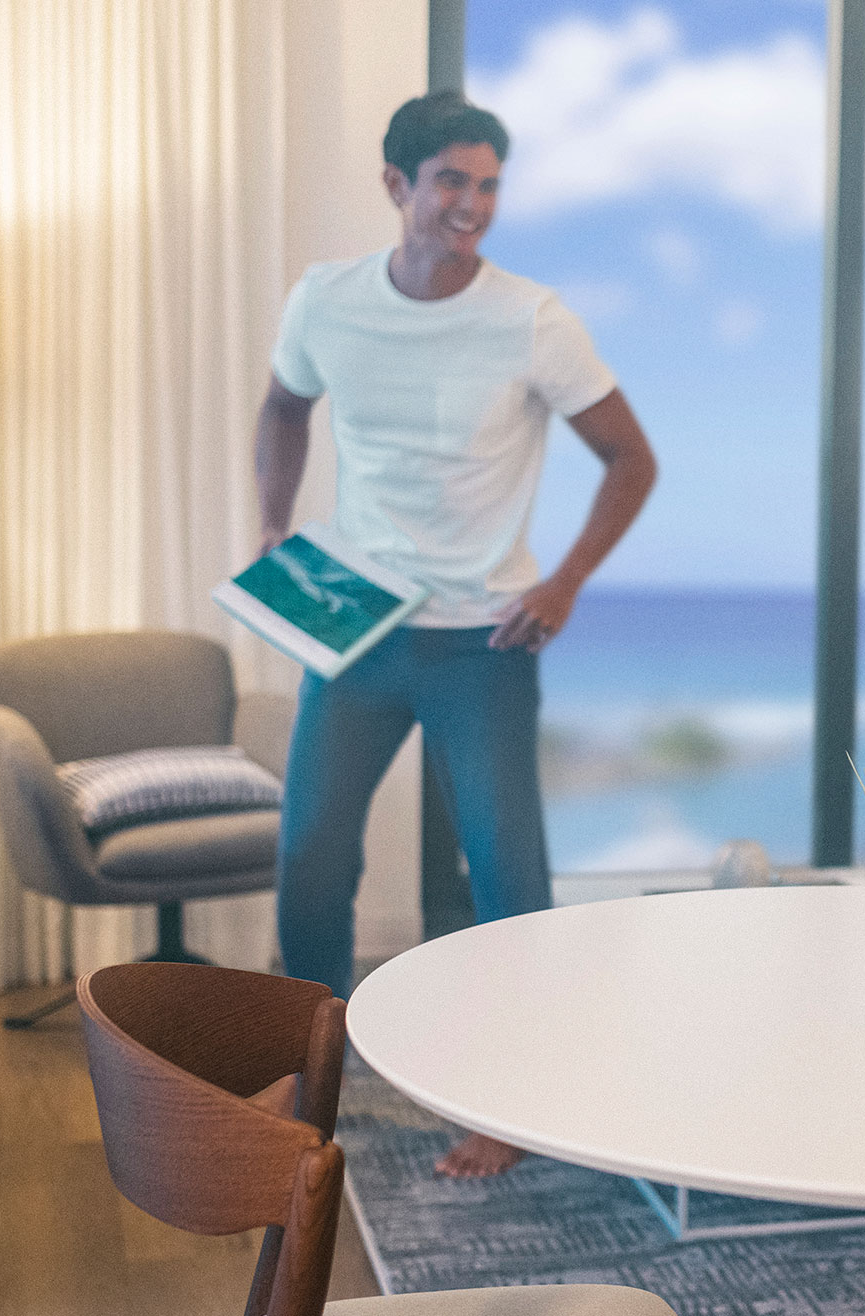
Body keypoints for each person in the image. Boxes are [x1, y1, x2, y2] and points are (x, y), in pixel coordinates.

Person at [254, 91, 659, 1178]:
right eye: (451, 182)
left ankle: (508, 1103)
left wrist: (567, 581)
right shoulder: (327, 301)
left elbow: (632, 458)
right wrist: (273, 535)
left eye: (488, 184)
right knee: (309, 858)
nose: (472, 204)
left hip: (485, 642)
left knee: (506, 876)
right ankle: (316, 1079)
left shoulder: (534, 319)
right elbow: (282, 407)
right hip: (358, 630)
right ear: (398, 186)